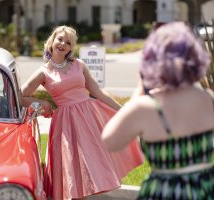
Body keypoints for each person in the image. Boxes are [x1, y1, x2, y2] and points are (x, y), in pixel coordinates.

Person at [21, 25, 144, 200]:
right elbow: (21, 96)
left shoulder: (79, 65)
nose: (63, 44)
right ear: (52, 40)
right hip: (65, 124)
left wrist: (123, 111)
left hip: (89, 117)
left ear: (72, 47)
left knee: (92, 165)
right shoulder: (43, 72)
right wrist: (41, 103)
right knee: (73, 170)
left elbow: (98, 91)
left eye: (68, 42)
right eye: (60, 39)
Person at [101, 21, 214, 199]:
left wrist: (139, 89)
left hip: (163, 191)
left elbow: (110, 141)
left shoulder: (145, 107)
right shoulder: (206, 99)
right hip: (206, 187)